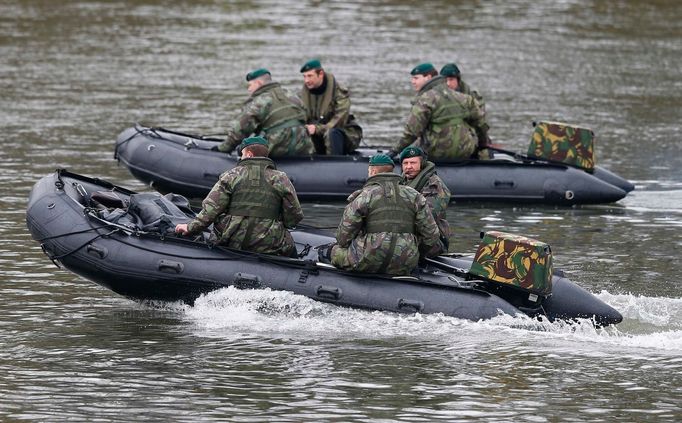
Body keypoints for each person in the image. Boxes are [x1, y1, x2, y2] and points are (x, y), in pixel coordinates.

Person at [176, 136, 303, 257]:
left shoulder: (230, 176)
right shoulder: (281, 178)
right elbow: (295, 215)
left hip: (232, 240)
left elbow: (210, 210)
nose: (241, 158)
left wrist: (190, 228)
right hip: (269, 244)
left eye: (242, 154)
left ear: (249, 155)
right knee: (289, 244)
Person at [320, 154, 443, 275]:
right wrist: (415, 251)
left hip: (367, 259)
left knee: (333, 251)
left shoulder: (364, 195)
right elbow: (432, 235)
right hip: (406, 261)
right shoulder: (415, 196)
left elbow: (343, 237)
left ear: (373, 171)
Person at [389, 62, 489, 160]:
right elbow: (481, 124)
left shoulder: (425, 99)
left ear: (428, 77)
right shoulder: (465, 98)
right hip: (465, 151)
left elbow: (411, 132)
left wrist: (394, 152)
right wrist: (483, 147)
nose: (412, 82)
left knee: (413, 148)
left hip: (435, 153)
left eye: (416, 78)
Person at [214, 68, 314, 157]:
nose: (249, 89)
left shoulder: (259, 101)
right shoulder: (291, 95)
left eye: (250, 85)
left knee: (244, 149)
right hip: (303, 147)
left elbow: (240, 130)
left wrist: (223, 148)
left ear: (258, 83)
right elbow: (307, 117)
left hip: (276, 149)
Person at [299, 59, 363, 155]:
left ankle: (335, 162)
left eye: (310, 76)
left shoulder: (339, 92)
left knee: (331, 133)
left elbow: (339, 120)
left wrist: (317, 129)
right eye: (304, 76)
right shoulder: (303, 94)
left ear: (320, 74)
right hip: (317, 134)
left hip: (342, 134)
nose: (306, 80)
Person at [399, 146, 451, 250]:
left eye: (413, 163)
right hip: (407, 236)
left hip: (432, 240)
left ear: (422, 164)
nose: (408, 167)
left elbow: (429, 216)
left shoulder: (434, 185)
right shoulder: (401, 182)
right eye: (405, 163)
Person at [440, 62, 491, 158]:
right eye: (444, 80)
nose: (448, 83)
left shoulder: (473, 98)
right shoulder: (436, 97)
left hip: (467, 137)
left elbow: (480, 123)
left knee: (484, 155)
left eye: (451, 80)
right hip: (442, 139)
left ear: (458, 80)